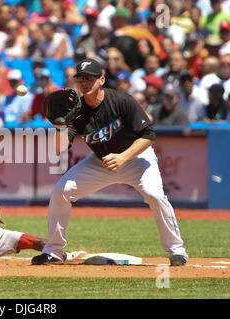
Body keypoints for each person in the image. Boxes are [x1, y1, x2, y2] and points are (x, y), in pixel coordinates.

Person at [31, 58, 188, 266]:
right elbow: (59, 148)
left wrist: (123, 157)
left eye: (90, 78)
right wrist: (60, 126)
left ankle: (177, 250)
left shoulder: (122, 101)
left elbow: (149, 135)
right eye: (81, 78)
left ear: (102, 79)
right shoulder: (76, 111)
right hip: (100, 162)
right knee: (61, 191)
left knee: (155, 195)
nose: (84, 82)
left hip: (135, 158)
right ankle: (54, 251)